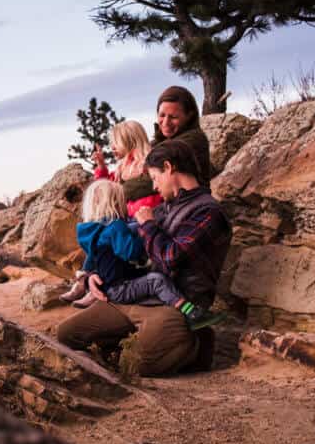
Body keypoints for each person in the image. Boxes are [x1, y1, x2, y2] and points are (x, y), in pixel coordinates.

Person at [57, 139, 232, 375]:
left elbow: (171, 257)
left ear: (169, 168)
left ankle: (197, 341)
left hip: (177, 303)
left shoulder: (208, 211)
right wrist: (92, 274)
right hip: (137, 294)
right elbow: (113, 241)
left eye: (154, 177)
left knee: (137, 364)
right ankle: (140, 339)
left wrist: (148, 225)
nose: (154, 185)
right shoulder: (163, 209)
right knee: (66, 334)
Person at [119, 86, 212, 207]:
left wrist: (118, 191)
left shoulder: (192, 142)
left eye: (173, 117)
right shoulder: (159, 142)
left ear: (189, 115)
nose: (166, 122)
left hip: (188, 207)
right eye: (162, 115)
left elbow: (152, 180)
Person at [61, 179, 146, 308]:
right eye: (123, 201)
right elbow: (130, 252)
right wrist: (145, 234)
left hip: (101, 262)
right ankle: (92, 288)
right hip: (115, 279)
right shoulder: (115, 225)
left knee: (96, 252)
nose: (125, 204)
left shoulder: (92, 227)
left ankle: (82, 285)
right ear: (116, 203)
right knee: (103, 251)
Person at [91, 120, 162, 216]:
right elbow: (106, 188)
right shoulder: (121, 168)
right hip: (125, 217)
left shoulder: (149, 163)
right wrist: (101, 166)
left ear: (131, 141)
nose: (112, 147)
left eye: (116, 142)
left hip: (145, 216)